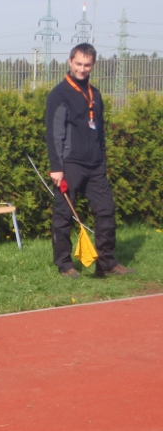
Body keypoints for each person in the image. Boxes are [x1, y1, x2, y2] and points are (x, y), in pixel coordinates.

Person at [45, 43, 136, 279]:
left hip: (95, 165)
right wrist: (57, 167)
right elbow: (54, 133)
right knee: (64, 215)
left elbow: (100, 131)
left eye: (87, 65)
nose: (82, 69)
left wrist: (102, 160)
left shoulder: (95, 94)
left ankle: (106, 262)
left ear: (93, 65)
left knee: (106, 211)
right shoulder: (58, 94)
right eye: (78, 64)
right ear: (70, 62)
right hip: (69, 164)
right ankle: (65, 264)